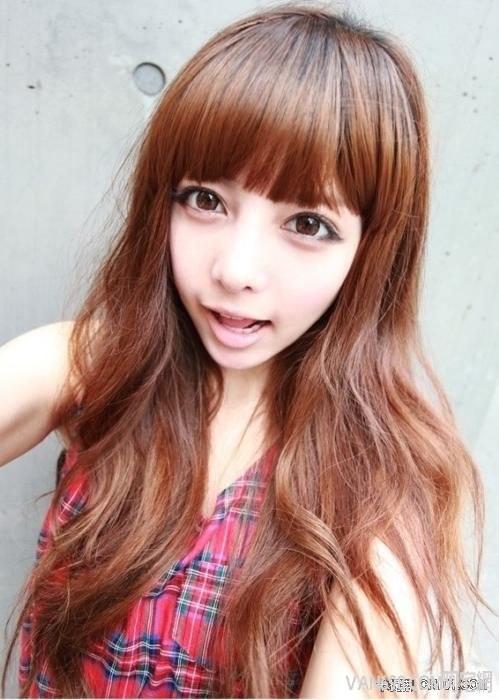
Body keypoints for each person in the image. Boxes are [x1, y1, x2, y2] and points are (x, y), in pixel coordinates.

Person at [0, 3, 491, 698]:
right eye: (206, 200)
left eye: (308, 224)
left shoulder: (375, 501)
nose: (235, 270)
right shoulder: (97, 368)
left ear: (371, 252)